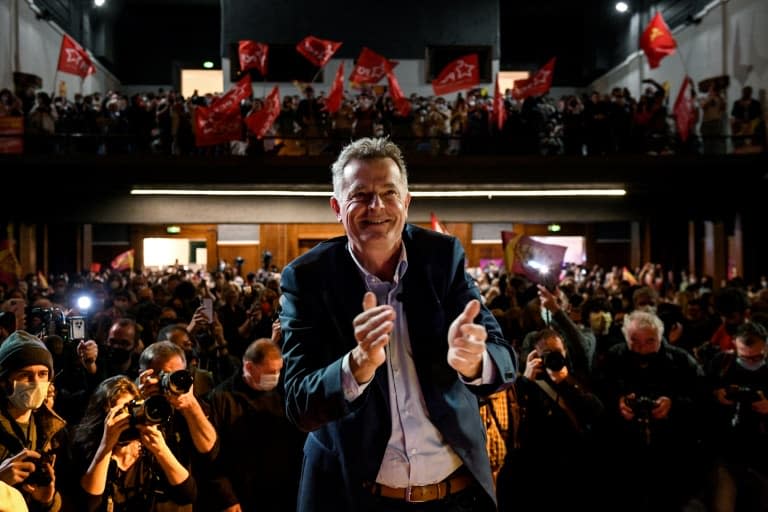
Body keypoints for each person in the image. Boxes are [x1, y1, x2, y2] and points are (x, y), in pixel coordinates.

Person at [279, 137, 517, 511]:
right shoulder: (307, 279)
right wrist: (356, 366)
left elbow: (504, 360)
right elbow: (298, 403)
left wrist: (473, 360)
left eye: (389, 193)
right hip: (354, 495)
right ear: (337, 208)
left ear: (406, 202)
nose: (377, 207)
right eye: (361, 195)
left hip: (454, 494)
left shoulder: (442, 257)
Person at [203, 338, 305, 512]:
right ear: (249, 367)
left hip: (283, 490)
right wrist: (227, 497)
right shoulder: (221, 399)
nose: (276, 377)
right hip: (243, 493)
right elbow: (212, 453)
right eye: (270, 372)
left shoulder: (283, 393)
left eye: (279, 371)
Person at [70, 375, 196, 512]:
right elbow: (87, 506)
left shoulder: (149, 450)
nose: (128, 417)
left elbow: (187, 495)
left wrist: (161, 450)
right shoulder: (86, 448)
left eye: (132, 409)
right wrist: (106, 446)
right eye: (121, 412)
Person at [0, 330, 66, 512]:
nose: (36, 382)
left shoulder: (52, 428)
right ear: (4, 381)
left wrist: (48, 501)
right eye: (24, 375)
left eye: (43, 374)